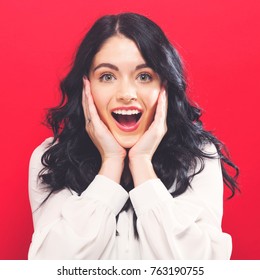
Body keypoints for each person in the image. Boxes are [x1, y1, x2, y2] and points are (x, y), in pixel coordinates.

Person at [28, 12, 239, 259]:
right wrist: (111, 162)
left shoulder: (198, 158)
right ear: (87, 87)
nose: (126, 93)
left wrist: (141, 163)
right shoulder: (51, 159)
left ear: (165, 86)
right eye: (107, 76)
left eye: (144, 76)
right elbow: (50, 267)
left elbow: (203, 268)